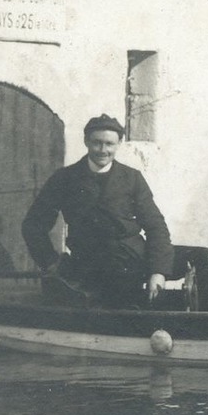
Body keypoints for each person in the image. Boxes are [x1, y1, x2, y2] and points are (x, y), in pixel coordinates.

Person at [22, 114, 174, 308]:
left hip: (134, 260)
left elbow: (156, 227)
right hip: (90, 266)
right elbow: (33, 225)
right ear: (86, 141)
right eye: (97, 143)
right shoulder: (65, 178)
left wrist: (158, 272)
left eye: (109, 144)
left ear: (119, 143)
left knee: (203, 259)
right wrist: (51, 263)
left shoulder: (131, 178)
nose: (103, 150)